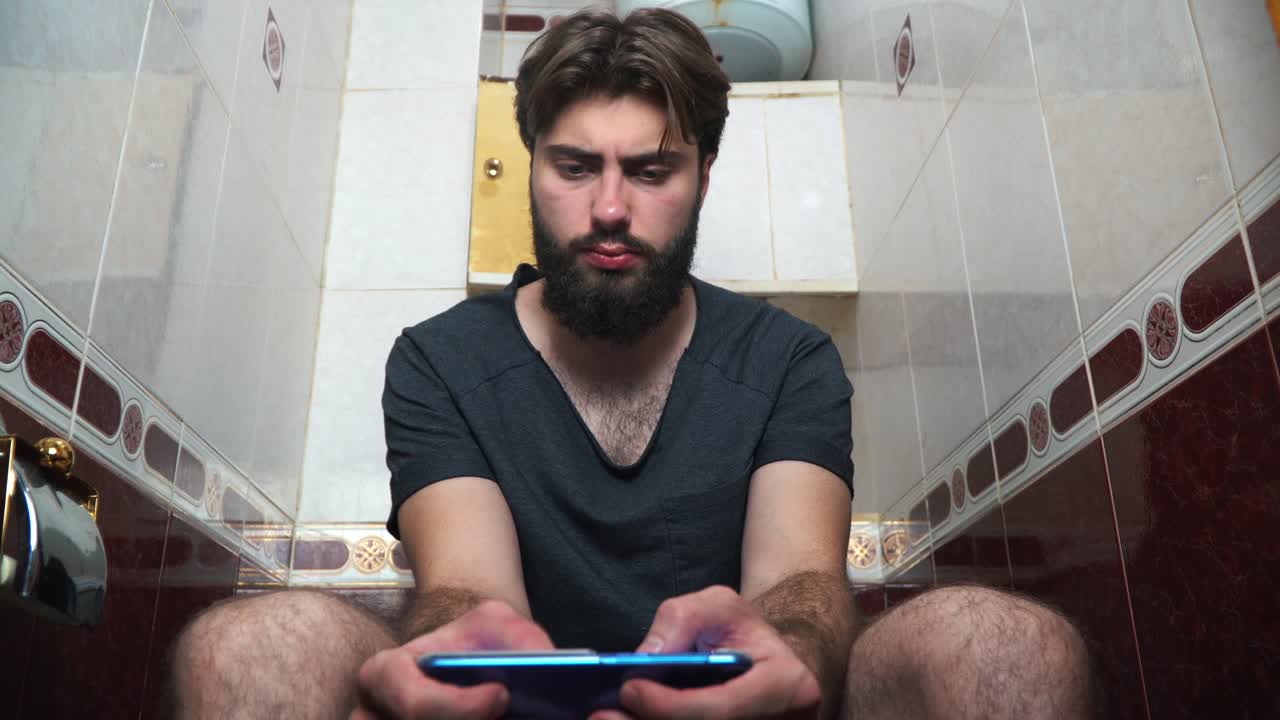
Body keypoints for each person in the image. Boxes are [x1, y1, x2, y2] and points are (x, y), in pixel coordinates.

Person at [170, 8, 1091, 720]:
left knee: (1004, 642)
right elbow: (466, 583)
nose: (610, 208)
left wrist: (789, 648)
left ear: (702, 179)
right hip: (514, 711)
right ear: (529, 167)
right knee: (253, 644)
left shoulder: (789, 359)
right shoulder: (439, 360)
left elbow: (799, 585)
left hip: (741, 712)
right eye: (576, 167)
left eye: (651, 172)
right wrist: (465, 636)